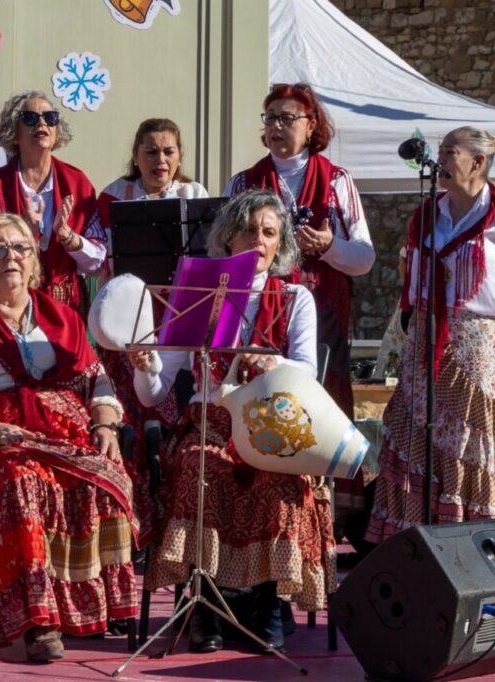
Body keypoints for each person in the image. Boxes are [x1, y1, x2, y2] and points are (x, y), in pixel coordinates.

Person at [0, 213, 136, 661]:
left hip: (69, 436)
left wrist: (103, 422)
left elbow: (98, 381)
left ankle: (95, 611)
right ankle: (39, 621)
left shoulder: (64, 319)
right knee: (24, 481)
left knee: (107, 473)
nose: (10, 259)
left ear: (34, 261)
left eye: (20, 248)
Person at [131, 190, 334, 653]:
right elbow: (156, 393)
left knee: (278, 478)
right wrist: (146, 366)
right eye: (248, 230)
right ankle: (207, 606)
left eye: (268, 233)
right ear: (227, 237)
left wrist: (272, 364)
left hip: (272, 419)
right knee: (203, 469)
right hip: (210, 421)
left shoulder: (295, 297)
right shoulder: (199, 295)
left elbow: (307, 369)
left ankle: (265, 606)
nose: (257, 241)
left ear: (279, 243)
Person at [365, 127, 495, 543]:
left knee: (472, 442)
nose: (441, 158)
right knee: (419, 435)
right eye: (440, 151)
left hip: (479, 348)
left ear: (477, 162)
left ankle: (477, 545)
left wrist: (491, 333)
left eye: (450, 151)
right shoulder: (428, 214)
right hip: (425, 344)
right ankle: (418, 544)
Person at [224, 82, 375, 551]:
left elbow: (365, 257)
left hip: (318, 311)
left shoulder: (335, 179)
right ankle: (248, 525)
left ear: (312, 126)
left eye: (287, 118)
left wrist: (329, 248)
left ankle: (321, 526)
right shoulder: (244, 182)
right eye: (270, 118)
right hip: (253, 312)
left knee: (323, 407)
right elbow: (223, 247)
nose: (276, 127)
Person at [96, 117, 209, 543]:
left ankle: (172, 522)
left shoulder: (195, 195)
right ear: (136, 155)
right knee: (134, 420)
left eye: (168, 151)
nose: (160, 160)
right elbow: (95, 258)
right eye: (151, 151)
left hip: (180, 320)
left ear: (180, 156)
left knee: (174, 420)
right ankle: (134, 524)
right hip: (132, 321)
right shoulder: (113, 196)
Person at [0, 91, 106, 315]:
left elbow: (98, 262)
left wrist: (68, 236)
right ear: (14, 133)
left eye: (50, 118)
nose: (42, 123)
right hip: (5, 304)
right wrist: (23, 235)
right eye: (30, 118)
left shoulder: (78, 184)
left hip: (65, 308)